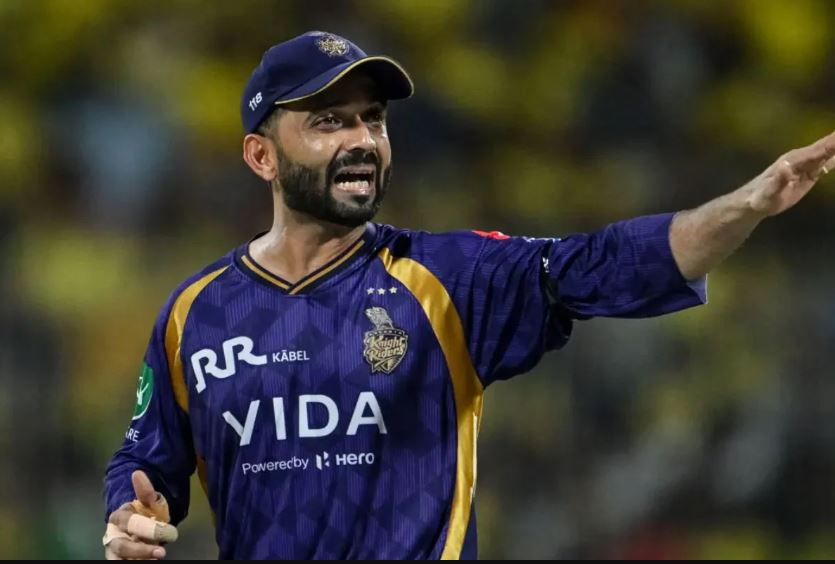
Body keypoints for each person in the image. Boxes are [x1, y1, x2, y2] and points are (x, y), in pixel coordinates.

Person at [101, 31, 835, 560]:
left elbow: (606, 264)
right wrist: (128, 515)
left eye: (372, 118)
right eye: (328, 121)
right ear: (261, 155)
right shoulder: (197, 313)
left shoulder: (448, 277)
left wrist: (746, 205)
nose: (362, 140)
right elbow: (143, 459)